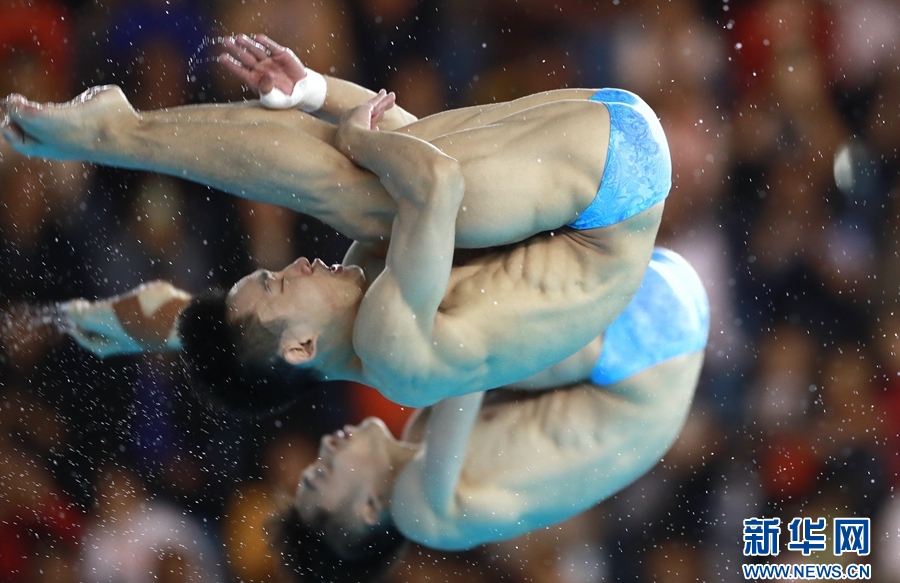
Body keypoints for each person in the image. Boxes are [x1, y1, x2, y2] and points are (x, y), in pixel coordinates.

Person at [5, 34, 671, 412]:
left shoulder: (367, 284)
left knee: (373, 180)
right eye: (276, 284)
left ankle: (122, 131)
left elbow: (411, 136)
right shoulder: (391, 352)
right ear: (300, 347)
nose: (293, 265)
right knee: (370, 184)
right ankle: (116, 135)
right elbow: (438, 181)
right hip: (613, 188)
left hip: (601, 149)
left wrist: (313, 93)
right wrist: (354, 136)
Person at [275, 247, 709, 583]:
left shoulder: (421, 439)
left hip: (659, 336)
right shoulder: (418, 512)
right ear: (370, 509)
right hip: (649, 347)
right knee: (437, 342)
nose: (324, 449)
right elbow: (470, 359)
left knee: (437, 334)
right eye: (322, 474)